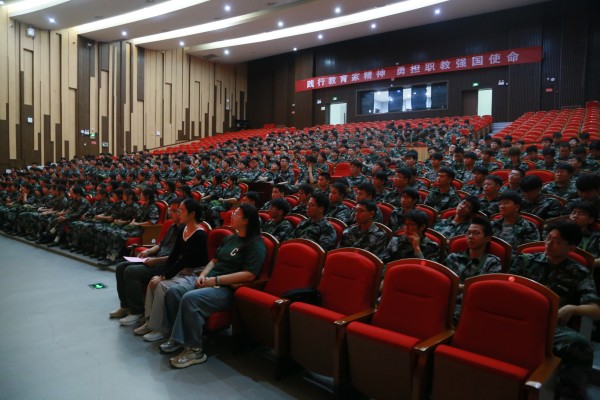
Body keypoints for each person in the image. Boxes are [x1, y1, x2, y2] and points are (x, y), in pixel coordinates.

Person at [161, 203, 266, 368]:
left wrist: (216, 280)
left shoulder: (255, 244)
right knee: (174, 291)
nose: (232, 216)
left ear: (246, 220)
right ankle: (179, 339)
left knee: (190, 298)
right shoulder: (230, 238)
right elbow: (214, 261)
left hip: (227, 289)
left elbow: (249, 274)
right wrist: (203, 275)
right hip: (209, 280)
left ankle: (195, 350)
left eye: (237, 214)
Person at [511, 220, 600, 399]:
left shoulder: (578, 272)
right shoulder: (525, 260)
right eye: (548, 238)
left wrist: (572, 308)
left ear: (571, 247)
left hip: (549, 325)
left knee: (579, 346)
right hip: (514, 316)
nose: (549, 244)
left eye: (557, 241)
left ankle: (569, 394)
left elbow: (595, 310)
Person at [110, 198, 208, 327]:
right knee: (121, 267)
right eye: (173, 210)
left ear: (191, 213)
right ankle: (126, 306)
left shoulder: (193, 232)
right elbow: (161, 246)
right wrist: (148, 252)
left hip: (171, 266)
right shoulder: (174, 227)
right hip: (160, 260)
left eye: (178, 210)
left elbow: (180, 258)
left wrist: (162, 272)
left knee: (132, 272)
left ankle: (139, 313)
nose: (174, 213)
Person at [445, 216, 502, 320]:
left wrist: (460, 287)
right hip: (447, 305)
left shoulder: (492, 262)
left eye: (476, 233)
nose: (470, 236)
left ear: (487, 238)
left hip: (474, 310)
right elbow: (443, 284)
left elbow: (487, 292)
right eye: (468, 233)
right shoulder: (453, 257)